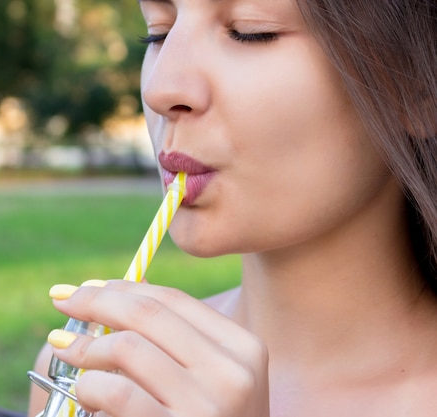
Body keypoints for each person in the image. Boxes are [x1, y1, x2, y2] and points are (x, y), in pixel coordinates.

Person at [28, 0, 437, 415]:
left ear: (420, 87)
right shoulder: (94, 377)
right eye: (159, 31)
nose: (160, 89)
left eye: (250, 31)